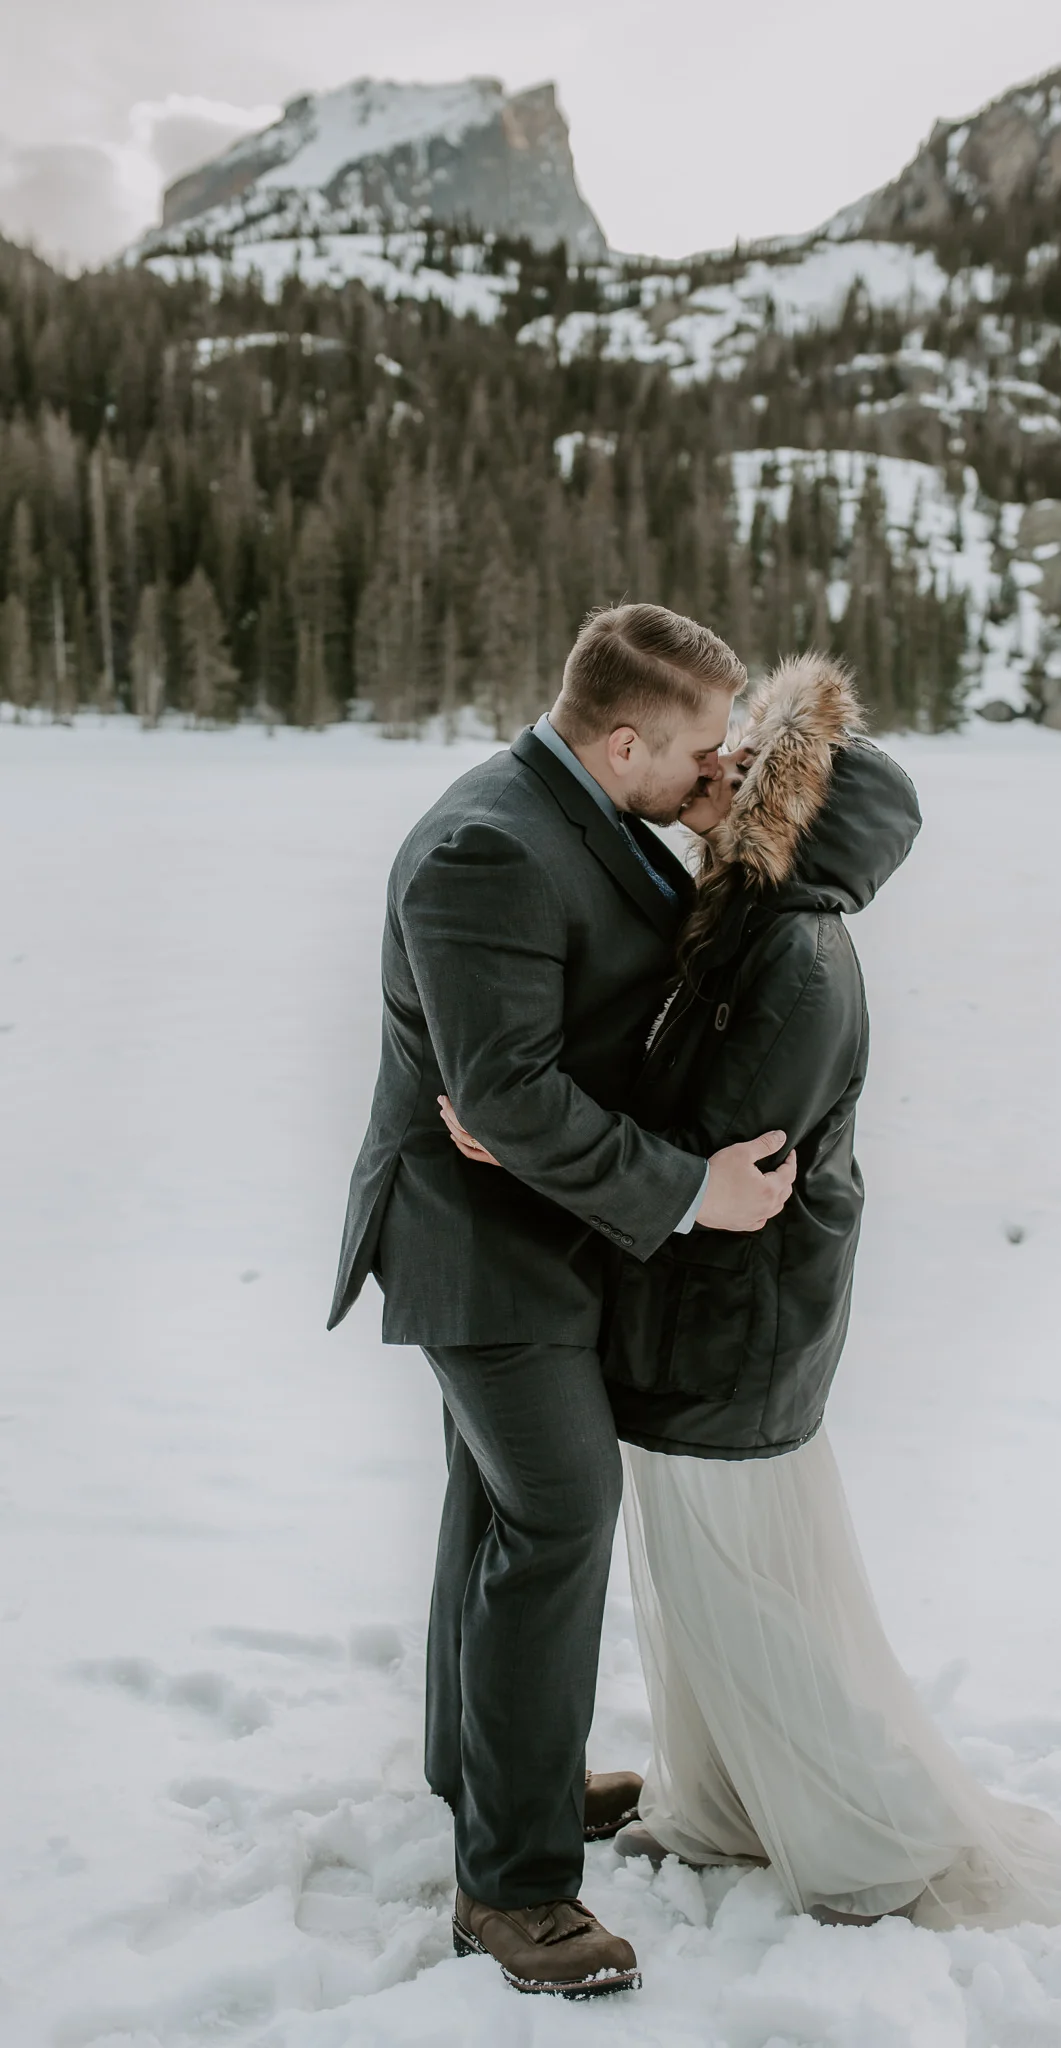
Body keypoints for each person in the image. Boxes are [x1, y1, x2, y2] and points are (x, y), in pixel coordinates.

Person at [444, 652, 1061, 1931]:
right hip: (709, 1315)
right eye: (735, 756)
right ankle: (736, 1797)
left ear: (800, 819)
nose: (726, 772)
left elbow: (716, 1146)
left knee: (754, 1599)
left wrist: (527, 1137)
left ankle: (870, 1830)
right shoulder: (743, 921)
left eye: (758, 771)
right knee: (709, 1591)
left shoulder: (795, 955)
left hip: (737, 1329)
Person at [327, 603, 799, 2000]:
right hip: (479, 1250)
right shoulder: (489, 846)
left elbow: (536, 1084)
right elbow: (508, 1098)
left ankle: (481, 1770)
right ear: (623, 739)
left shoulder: (583, 811)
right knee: (556, 1518)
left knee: (496, 1504)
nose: (720, 773)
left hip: (537, 1227)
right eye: (705, 751)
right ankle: (516, 1889)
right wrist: (686, 1190)